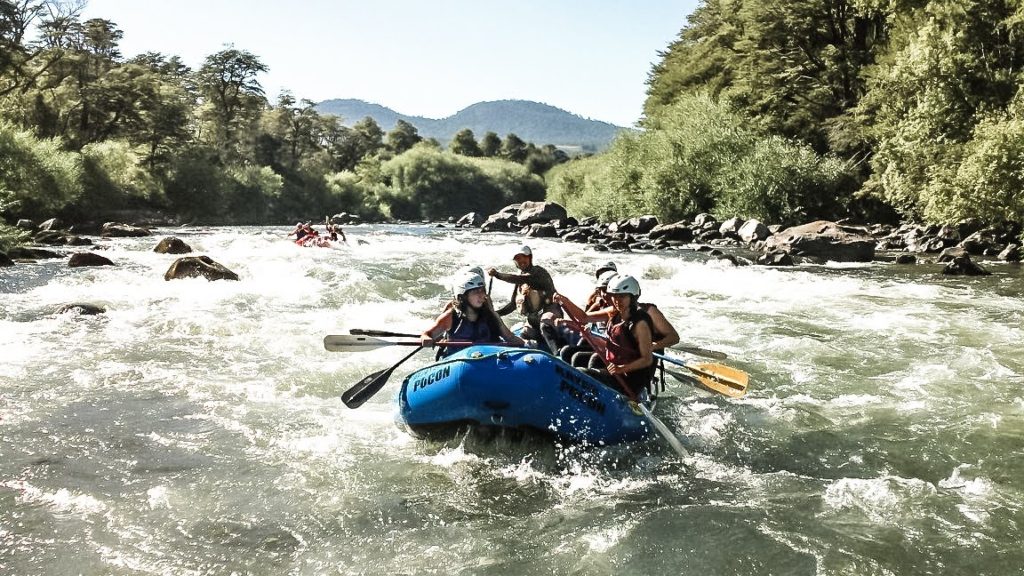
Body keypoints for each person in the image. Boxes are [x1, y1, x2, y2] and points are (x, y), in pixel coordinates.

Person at [557, 274, 657, 396]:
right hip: (616, 370)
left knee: (582, 373)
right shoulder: (614, 312)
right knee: (582, 359)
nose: (617, 301)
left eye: (622, 296)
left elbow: (647, 359)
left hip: (629, 379)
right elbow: (584, 317)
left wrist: (621, 368)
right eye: (614, 296)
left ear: (633, 297)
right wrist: (565, 301)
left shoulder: (640, 324)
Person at [421, 272, 525, 357]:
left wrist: (527, 345)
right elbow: (427, 334)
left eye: (482, 291)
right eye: (476, 292)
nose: (481, 295)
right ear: (463, 296)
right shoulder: (451, 317)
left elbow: (510, 338)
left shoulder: (490, 315)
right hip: (458, 362)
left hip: (488, 360)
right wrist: (426, 339)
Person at [487, 245, 563, 351]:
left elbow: (520, 279)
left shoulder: (539, 273)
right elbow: (512, 306)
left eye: (524, 257)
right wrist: (494, 314)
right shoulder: (519, 281)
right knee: (523, 336)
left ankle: (558, 354)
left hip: (550, 319)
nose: (521, 261)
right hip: (533, 322)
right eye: (518, 259)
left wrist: (497, 275)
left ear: (530, 258)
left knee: (545, 324)